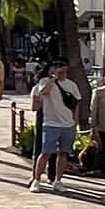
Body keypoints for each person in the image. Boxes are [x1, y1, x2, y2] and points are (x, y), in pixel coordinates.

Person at [30, 56, 80, 192]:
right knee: (45, 152)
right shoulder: (45, 82)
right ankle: (36, 179)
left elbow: (76, 103)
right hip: (51, 123)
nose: (61, 70)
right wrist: (53, 79)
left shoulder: (72, 85)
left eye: (63, 68)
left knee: (63, 153)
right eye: (57, 67)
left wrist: (75, 121)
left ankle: (58, 180)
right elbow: (44, 92)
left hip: (67, 124)